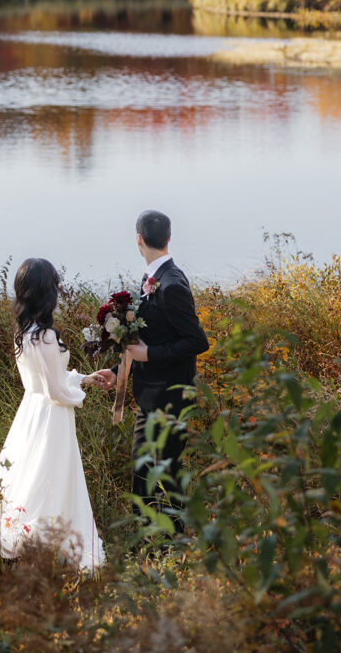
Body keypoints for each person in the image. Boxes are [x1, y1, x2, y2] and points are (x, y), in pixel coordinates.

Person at [0, 257, 105, 571]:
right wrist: (79, 396)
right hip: (52, 415)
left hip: (31, 411)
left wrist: (84, 379)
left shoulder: (26, 332)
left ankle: (31, 544)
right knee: (52, 476)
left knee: (34, 475)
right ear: (47, 291)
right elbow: (56, 391)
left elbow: (45, 382)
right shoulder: (46, 335)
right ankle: (50, 548)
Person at [95, 210, 209, 520]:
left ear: (139, 240)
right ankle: (148, 540)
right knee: (142, 471)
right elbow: (144, 338)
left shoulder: (171, 284)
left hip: (170, 398)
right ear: (169, 238)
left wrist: (151, 355)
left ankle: (174, 546)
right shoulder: (152, 279)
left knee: (166, 473)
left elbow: (198, 342)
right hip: (151, 398)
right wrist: (117, 373)